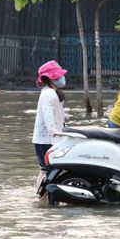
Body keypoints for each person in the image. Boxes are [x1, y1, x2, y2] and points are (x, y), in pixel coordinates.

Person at [32, 60, 68, 188]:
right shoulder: (48, 94)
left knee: (46, 171)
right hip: (47, 140)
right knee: (47, 171)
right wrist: (55, 131)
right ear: (52, 78)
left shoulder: (52, 93)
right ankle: (43, 199)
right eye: (59, 76)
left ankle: (42, 200)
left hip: (49, 139)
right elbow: (48, 117)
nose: (62, 78)